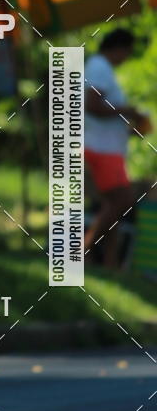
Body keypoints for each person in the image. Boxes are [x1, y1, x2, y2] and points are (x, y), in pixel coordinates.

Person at [84, 28, 149, 269]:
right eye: (128, 52)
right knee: (123, 201)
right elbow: (91, 105)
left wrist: (131, 129)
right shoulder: (100, 67)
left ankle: (109, 264)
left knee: (112, 206)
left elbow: (103, 113)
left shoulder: (100, 68)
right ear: (120, 48)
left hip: (107, 146)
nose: (127, 58)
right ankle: (83, 249)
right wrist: (128, 111)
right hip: (101, 149)